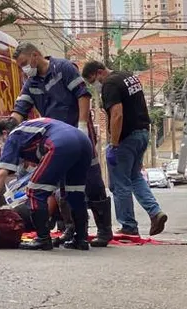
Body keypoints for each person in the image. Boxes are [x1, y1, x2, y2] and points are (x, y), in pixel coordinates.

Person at [10, 43, 114, 248]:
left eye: (24, 63)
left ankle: (103, 229)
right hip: (56, 140)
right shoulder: (30, 82)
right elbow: (20, 108)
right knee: (63, 186)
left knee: (91, 179)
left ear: (35, 55)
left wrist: (82, 124)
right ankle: (72, 228)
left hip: (78, 132)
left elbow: (83, 95)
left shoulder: (63, 68)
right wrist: (10, 126)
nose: (24, 68)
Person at [82, 61, 168, 237]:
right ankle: (155, 212)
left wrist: (114, 143)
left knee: (120, 184)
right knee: (135, 177)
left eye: (93, 81)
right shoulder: (128, 76)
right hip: (142, 134)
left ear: (99, 72)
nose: (94, 86)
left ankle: (128, 226)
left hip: (125, 139)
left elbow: (117, 114)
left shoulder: (110, 84)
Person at [0, 117, 91, 251]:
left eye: (0, 142)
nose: (2, 146)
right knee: (74, 192)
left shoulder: (13, 135)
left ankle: (43, 239)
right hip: (84, 141)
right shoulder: (31, 129)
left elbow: (2, 173)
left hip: (61, 143)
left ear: (4, 133)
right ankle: (81, 239)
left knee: (35, 190)